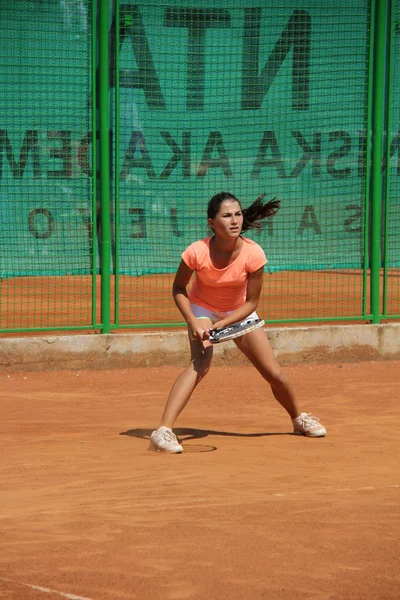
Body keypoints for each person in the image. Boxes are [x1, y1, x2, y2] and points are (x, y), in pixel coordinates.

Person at [150, 191, 326, 453]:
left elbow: (251, 303)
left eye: (238, 214)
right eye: (226, 215)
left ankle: (299, 418)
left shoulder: (254, 254)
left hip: (239, 312)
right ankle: (162, 431)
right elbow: (178, 288)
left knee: (273, 372)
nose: (235, 221)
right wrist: (194, 322)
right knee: (201, 364)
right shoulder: (196, 251)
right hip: (202, 308)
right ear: (212, 222)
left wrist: (222, 325)